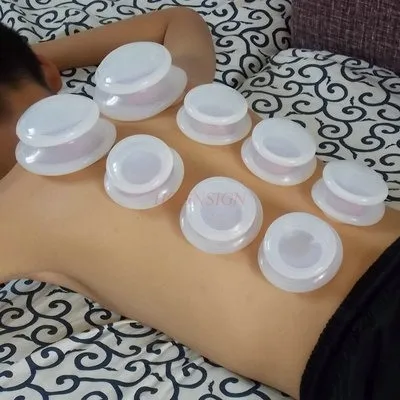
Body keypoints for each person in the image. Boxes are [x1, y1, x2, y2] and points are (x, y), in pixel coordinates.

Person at [0, 7, 399, 400]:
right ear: (48, 71)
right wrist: (34, 55)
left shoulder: (14, 212)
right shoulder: (161, 91)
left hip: (357, 352)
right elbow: (177, 20)